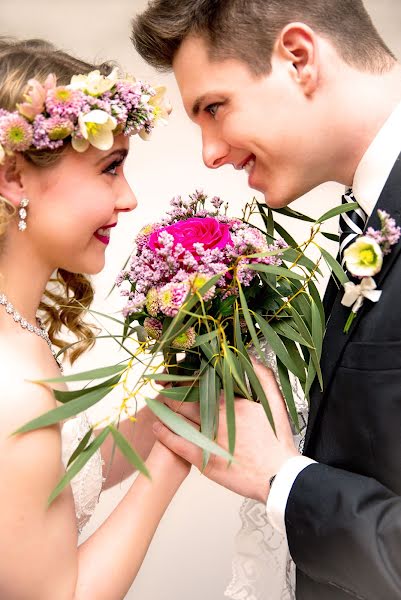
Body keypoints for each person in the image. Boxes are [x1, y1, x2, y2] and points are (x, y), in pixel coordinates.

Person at [132, 1, 401, 598]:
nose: (210, 152)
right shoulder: (370, 220)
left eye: (214, 108)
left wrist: (281, 479)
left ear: (298, 59)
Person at [0, 37, 190, 600]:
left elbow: (58, 480)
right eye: (110, 168)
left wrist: (175, 395)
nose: (130, 198)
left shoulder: (18, 331)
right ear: (14, 179)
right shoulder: (13, 378)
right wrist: (176, 458)